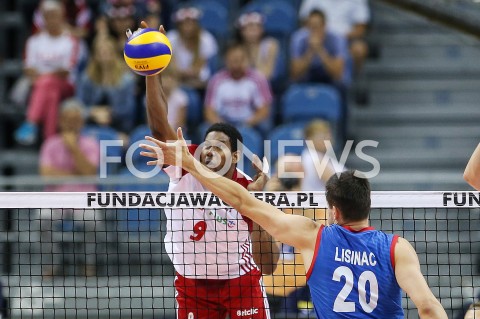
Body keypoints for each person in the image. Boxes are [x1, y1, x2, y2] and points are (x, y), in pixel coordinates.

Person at [140, 131, 449, 319]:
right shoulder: (398, 248)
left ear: (332, 210)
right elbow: (429, 309)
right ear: (369, 204)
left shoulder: (313, 236)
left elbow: (243, 201)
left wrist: (191, 162)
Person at [139, 21, 279, 319]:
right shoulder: (186, 163)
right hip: (191, 284)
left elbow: (268, 266)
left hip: (240, 282)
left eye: (219, 146)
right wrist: (153, 73)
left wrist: (258, 209)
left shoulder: (246, 188)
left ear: (236, 155)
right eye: (206, 144)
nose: (208, 150)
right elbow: (159, 124)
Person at [39, 98, 100, 278]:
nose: (71, 124)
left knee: (93, 221)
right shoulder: (50, 144)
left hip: (84, 198)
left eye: (75, 120)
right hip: (54, 197)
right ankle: (51, 264)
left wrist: (73, 148)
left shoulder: (90, 144)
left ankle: (88, 264)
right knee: (42, 219)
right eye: (67, 119)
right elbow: (46, 175)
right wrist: (75, 172)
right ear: (60, 121)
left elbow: (89, 172)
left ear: (81, 122)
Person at [15, 0, 80, 145]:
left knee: (47, 83)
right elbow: (29, 69)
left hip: (67, 86)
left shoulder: (70, 41)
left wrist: (43, 75)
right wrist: (49, 74)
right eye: (48, 16)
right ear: (43, 18)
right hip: (45, 87)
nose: (51, 20)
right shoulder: (34, 41)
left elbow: (66, 72)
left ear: (61, 17)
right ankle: (49, 140)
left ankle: (31, 122)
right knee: (51, 92)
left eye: (55, 16)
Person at [204, 43, 273, 136]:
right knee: (205, 128)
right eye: (233, 60)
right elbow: (209, 111)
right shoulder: (216, 80)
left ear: (247, 60)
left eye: (240, 60)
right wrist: (222, 126)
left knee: (265, 125)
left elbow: (264, 110)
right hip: (223, 121)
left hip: (249, 122)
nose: (237, 64)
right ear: (226, 61)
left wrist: (247, 123)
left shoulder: (258, 79)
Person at [76, 35, 136, 133]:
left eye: (107, 52)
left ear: (114, 54)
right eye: (101, 52)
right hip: (90, 123)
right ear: (95, 55)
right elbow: (78, 105)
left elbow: (129, 109)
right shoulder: (86, 78)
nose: (104, 56)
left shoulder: (127, 79)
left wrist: (109, 113)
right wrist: (93, 112)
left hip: (119, 125)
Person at [299, 0, 370, 72]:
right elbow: (304, 21)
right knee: (301, 39)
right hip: (317, 36)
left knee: (359, 49)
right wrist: (319, 35)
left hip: (346, 39)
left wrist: (339, 39)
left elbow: (361, 28)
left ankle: (351, 80)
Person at [290, 9, 348, 85]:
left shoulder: (337, 39)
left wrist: (320, 50)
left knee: (341, 84)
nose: (313, 30)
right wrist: (310, 52)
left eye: (316, 26)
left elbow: (338, 73)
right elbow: (295, 73)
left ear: (324, 26)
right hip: (307, 75)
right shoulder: (298, 38)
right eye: (310, 27)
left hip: (329, 77)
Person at [167, 7, 218, 89]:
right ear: (179, 25)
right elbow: (172, 67)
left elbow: (200, 68)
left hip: (200, 83)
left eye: (191, 23)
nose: (188, 27)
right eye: (184, 23)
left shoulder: (206, 39)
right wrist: (180, 73)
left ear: (196, 24)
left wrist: (189, 73)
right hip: (176, 81)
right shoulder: (171, 38)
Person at [301, 120, 344, 191]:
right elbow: (337, 186)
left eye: (328, 134)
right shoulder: (314, 158)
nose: (328, 138)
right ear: (309, 138)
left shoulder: (321, 156)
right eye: (323, 136)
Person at [236, 11, 279, 82]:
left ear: (262, 30)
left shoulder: (270, 45)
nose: (254, 30)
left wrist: (254, 50)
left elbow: (267, 75)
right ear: (241, 31)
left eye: (257, 26)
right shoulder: (237, 49)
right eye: (250, 26)